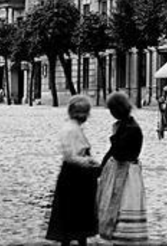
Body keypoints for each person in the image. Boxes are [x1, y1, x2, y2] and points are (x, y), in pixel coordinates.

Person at [45, 95, 98, 246]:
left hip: (77, 175)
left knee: (78, 213)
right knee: (73, 212)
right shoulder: (71, 130)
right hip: (75, 176)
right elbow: (70, 156)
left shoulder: (74, 127)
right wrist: (89, 162)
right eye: (85, 113)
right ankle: (72, 240)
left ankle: (78, 239)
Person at [97, 91, 148, 243]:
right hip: (119, 170)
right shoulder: (125, 125)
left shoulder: (131, 128)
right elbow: (112, 151)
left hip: (127, 173)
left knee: (123, 203)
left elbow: (118, 152)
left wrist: (113, 137)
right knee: (115, 203)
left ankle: (124, 234)